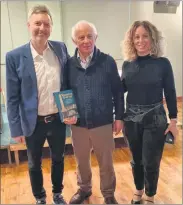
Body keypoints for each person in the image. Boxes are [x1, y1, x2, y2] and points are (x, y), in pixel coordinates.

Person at [6, 5, 69, 204]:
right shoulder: (14, 56)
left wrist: (69, 111)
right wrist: (16, 128)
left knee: (58, 159)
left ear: (51, 27)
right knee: (34, 164)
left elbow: (66, 84)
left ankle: (57, 194)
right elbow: (12, 97)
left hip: (58, 120)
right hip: (33, 123)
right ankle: (39, 197)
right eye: (37, 23)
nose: (42, 28)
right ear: (29, 25)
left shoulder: (61, 48)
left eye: (46, 24)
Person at [64, 20, 124, 204]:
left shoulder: (107, 61)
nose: (86, 40)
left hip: (103, 122)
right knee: (82, 161)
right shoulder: (69, 65)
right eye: (81, 37)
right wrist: (67, 114)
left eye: (90, 36)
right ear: (74, 40)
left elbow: (118, 92)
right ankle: (84, 190)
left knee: (106, 163)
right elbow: (65, 91)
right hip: (78, 124)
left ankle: (108, 194)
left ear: (96, 37)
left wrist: (119, 117)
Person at [121, 20, 178, 204]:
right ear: (131, 40)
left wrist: (174, 121)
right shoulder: (128, 65)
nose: (141, 40)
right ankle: (138, 191)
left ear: (152, 38)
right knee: (136, 161)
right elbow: (120, 89)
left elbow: (170, 92)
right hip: (131, 119)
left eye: (145, 36)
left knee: (151, 162)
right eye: (136, 37)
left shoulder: (163, 64)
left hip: (155, 118)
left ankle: (150, 196)